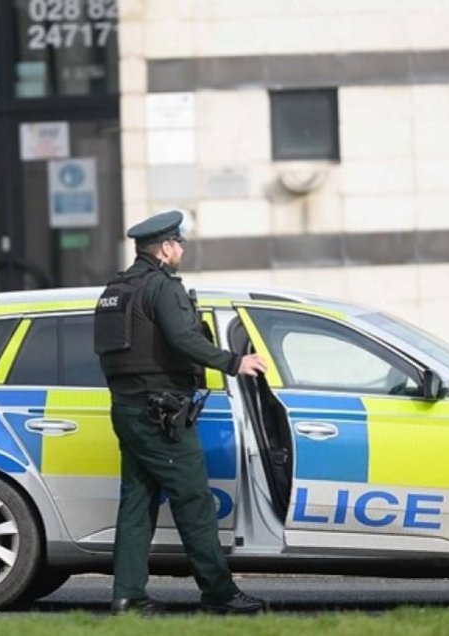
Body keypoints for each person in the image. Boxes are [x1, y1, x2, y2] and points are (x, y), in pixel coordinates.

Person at [93, 209, 269, 614]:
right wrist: (234, 362)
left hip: (128, 409)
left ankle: (128, 595)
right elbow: (184, 339)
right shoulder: (163, 288)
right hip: (162, 415)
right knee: (194, 501)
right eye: (180, 243)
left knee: (136, 501)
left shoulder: (115, 290)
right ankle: (220, 594)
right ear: (167, 247)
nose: (182, 250)